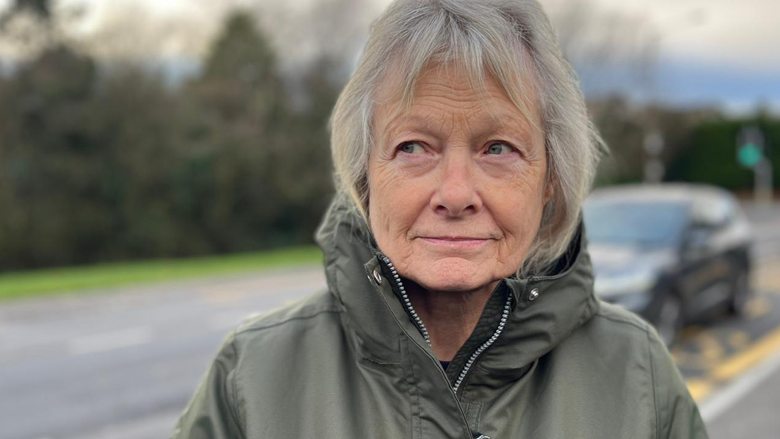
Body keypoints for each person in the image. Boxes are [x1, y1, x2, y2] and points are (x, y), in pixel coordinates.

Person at [170, 0, 708, 437]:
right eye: (412, 147)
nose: (455, 194)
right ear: (364, 178)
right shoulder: (253, 375)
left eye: (498, 148)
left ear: (549, 181)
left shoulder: (638, 373)